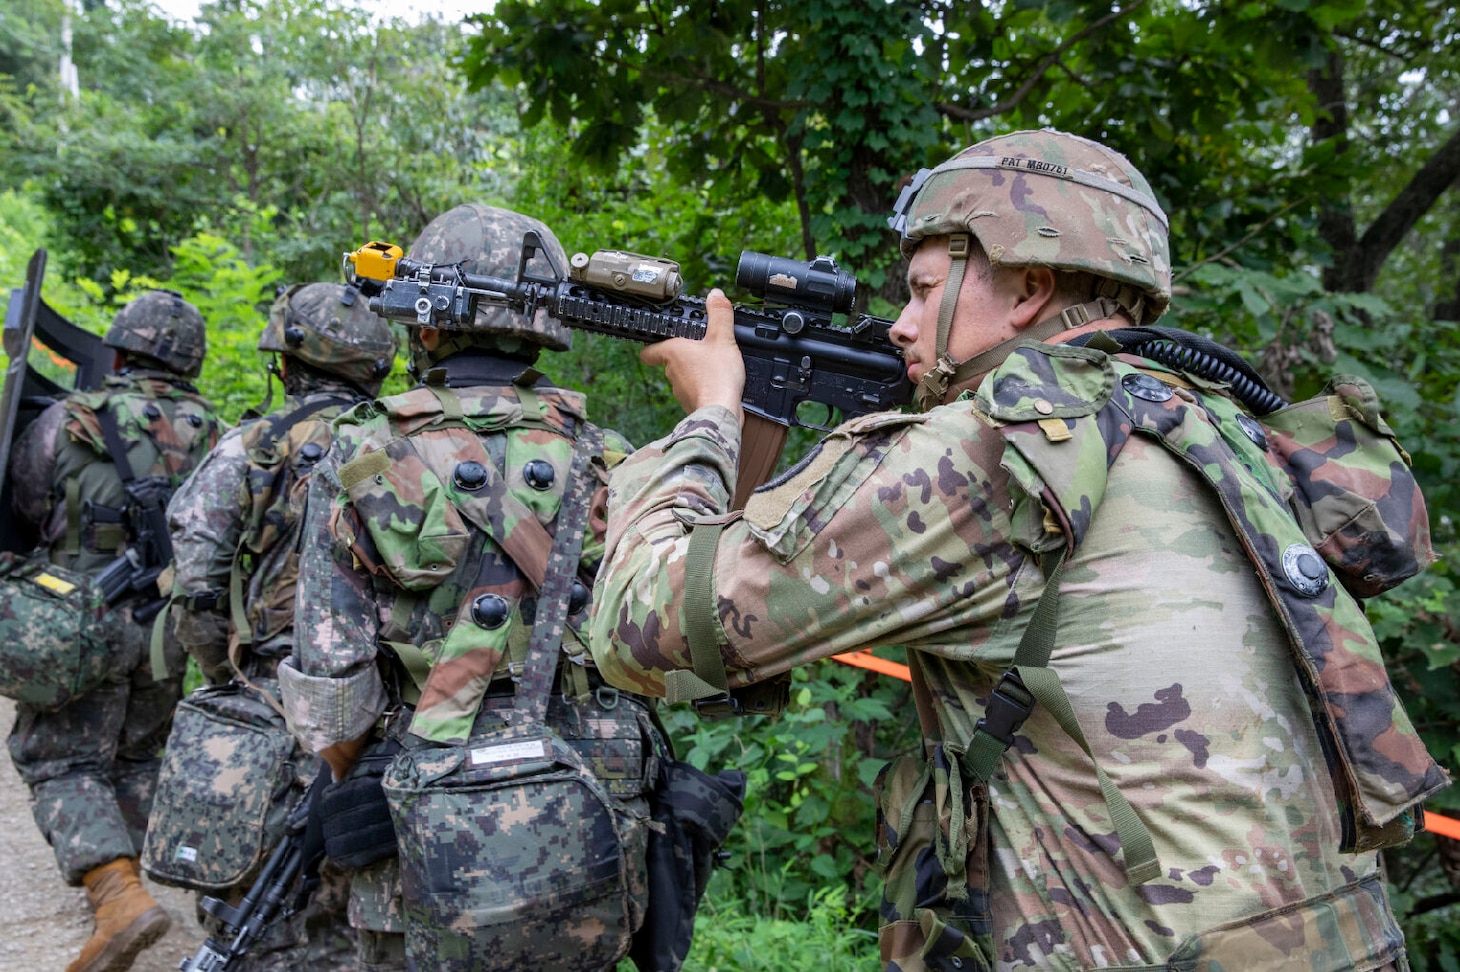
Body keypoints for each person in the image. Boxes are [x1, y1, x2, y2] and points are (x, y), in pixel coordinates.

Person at [588, 128, 1449, 971]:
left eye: (924, 291)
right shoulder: (1211, 425)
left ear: (1030, 287)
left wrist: (710, 417)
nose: (900, 324)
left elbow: (649, 633)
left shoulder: (998, 448)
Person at [278, 204, 662, 972]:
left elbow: (333, 681)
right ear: (545, 325)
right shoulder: (615, 458)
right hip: (585, 812)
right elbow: (655, 650)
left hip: (419, 809)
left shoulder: (363, 453)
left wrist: (362, 778)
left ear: (425, 328)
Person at [163, 281, 397, 969]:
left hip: (271, 695)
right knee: (363, 906)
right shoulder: (403, 446)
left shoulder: (249, 447)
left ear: (285, 363)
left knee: (257, 902)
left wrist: (225, 677)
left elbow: (196, 583)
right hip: (383, 711)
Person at [8, 289, 222, 972]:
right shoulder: (217, 434)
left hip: (82, 618)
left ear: (121, 349)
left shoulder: (71, 420)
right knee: (137, 756)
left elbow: (26, 504)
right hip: (168, 629)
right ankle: (142, 889)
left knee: (61, 757)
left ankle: (117, 895)